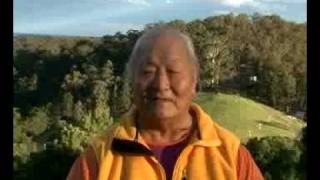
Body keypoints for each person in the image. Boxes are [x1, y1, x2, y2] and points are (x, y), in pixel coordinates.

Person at [67, 26, 264, 180]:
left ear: (194, 79)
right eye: (148, 72)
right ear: (131, 79)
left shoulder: (230, 155)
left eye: (173, 72)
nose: (161, 85)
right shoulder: (100, 158)